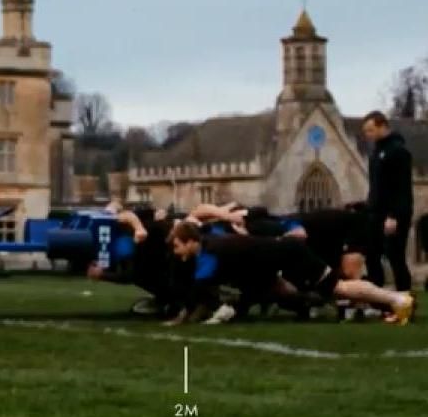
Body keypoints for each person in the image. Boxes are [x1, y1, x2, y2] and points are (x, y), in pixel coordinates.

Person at [166, 221, 415, 326]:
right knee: (288, 293)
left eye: (177, 246)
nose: (176, 252)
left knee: (339, 288)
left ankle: (398, 300)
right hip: (277, 260)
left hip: (290, 255)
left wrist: (181, 319)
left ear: (189, 242)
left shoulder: (209, 253)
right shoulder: (211, 241)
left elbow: (198, 290)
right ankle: (390, 302)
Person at [362, 111, 415, 298]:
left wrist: (393, 216)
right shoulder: (376, 152)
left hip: (394, 214)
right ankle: (377, 297)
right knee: (372, 254)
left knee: (395, 256)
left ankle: (404, 299)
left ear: (382, 126)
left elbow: (400, 187)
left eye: (371, 130)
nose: (368, 134)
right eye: (366, 131)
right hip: (376, 212)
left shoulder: (398, 151)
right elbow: (377, 185)